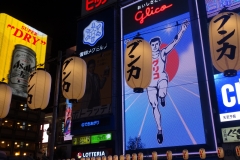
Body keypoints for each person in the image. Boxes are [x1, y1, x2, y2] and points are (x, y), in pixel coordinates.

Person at [146, 20, 189, 144]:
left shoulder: (163, 52)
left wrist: (182, 30)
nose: (154, 46)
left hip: (161, 78)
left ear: (159, 44)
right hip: (151, 83)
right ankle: (159, 130)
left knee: (162, 90)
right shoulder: (146, 57)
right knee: (154, 105)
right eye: (152, 44)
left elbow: (174, 42)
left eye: (156, 44)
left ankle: (162, 96)